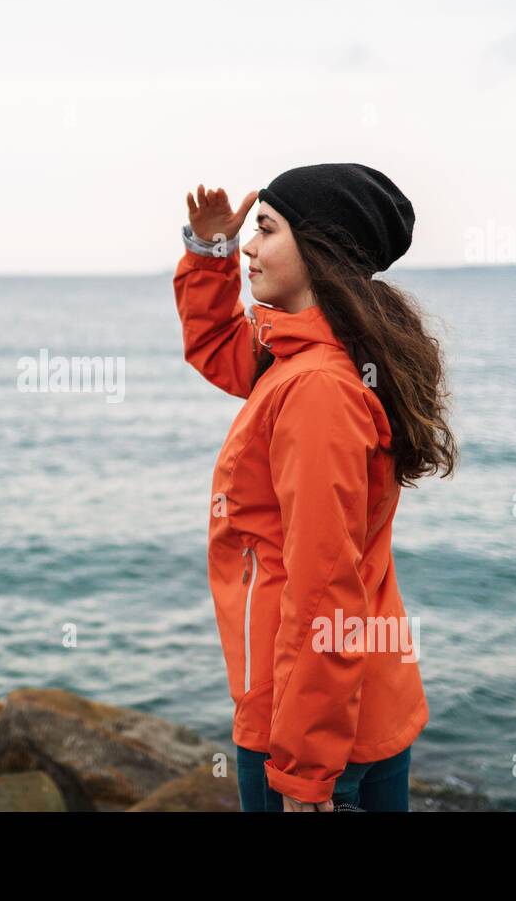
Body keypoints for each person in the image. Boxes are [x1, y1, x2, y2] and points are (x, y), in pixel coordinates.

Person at [173, 164, 457, 812]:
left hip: (304, 724)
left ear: (320, 249)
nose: (247, 245)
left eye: (264, 229)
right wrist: (206, 251)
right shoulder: (304, 352)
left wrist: (304, 770)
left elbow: (322, 590)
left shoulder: (317, 389)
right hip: (359, 706)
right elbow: (218, 346)